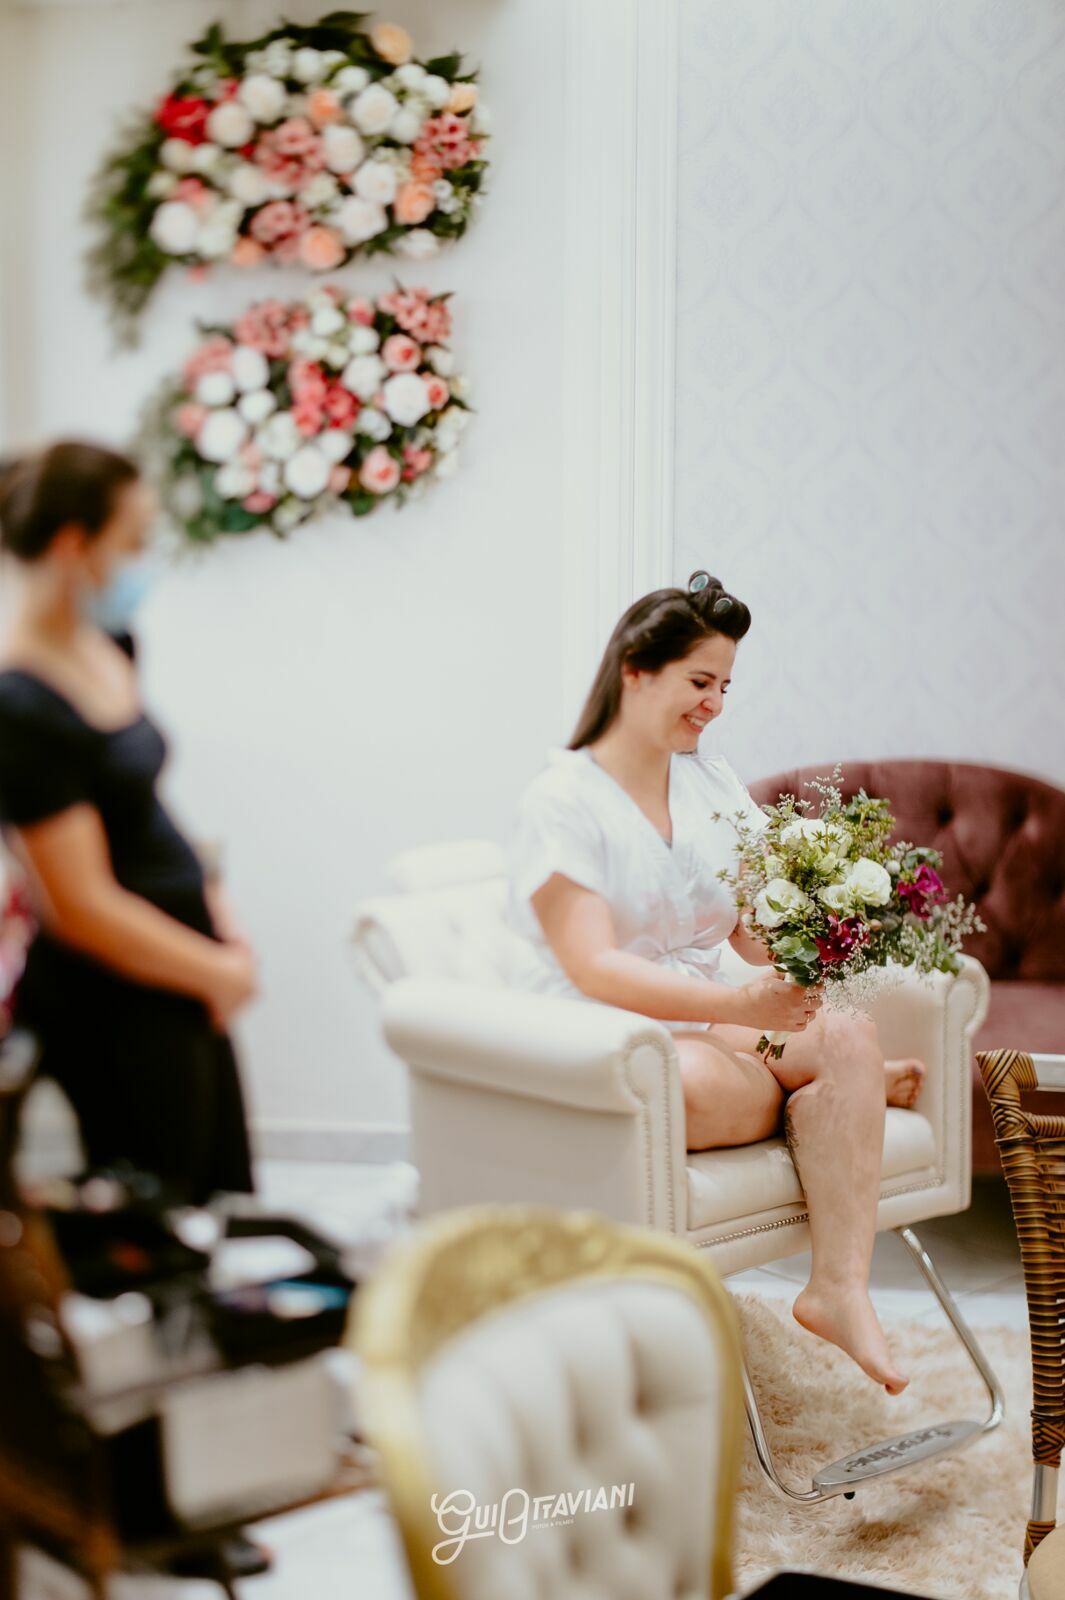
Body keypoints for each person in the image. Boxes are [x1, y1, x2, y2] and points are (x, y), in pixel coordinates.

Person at [505, 570, 926, 1395]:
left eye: (725, 686)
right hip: (601, 1032)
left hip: (703, 1022)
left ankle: (838, 1290)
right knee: (700, 1083)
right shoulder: (561, 799)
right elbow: (592, 967)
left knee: (847, 1030)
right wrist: (740, 1006)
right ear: (635, 670)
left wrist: (818, 921)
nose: (715, 704)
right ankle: (849, 1095)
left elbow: (744, 932)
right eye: (700, 681)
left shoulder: (710, 784)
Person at [0, 441, 258, 1208]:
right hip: (118, 991)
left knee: (220, 1190)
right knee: (160, 1211)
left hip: (185, 961)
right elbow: (77, 905)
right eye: (135, 540)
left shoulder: (110, 642)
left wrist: (219, 918)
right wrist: (216, 972)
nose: (146, 561)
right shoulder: (19, 703)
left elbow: (143, 807)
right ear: (73, 544)